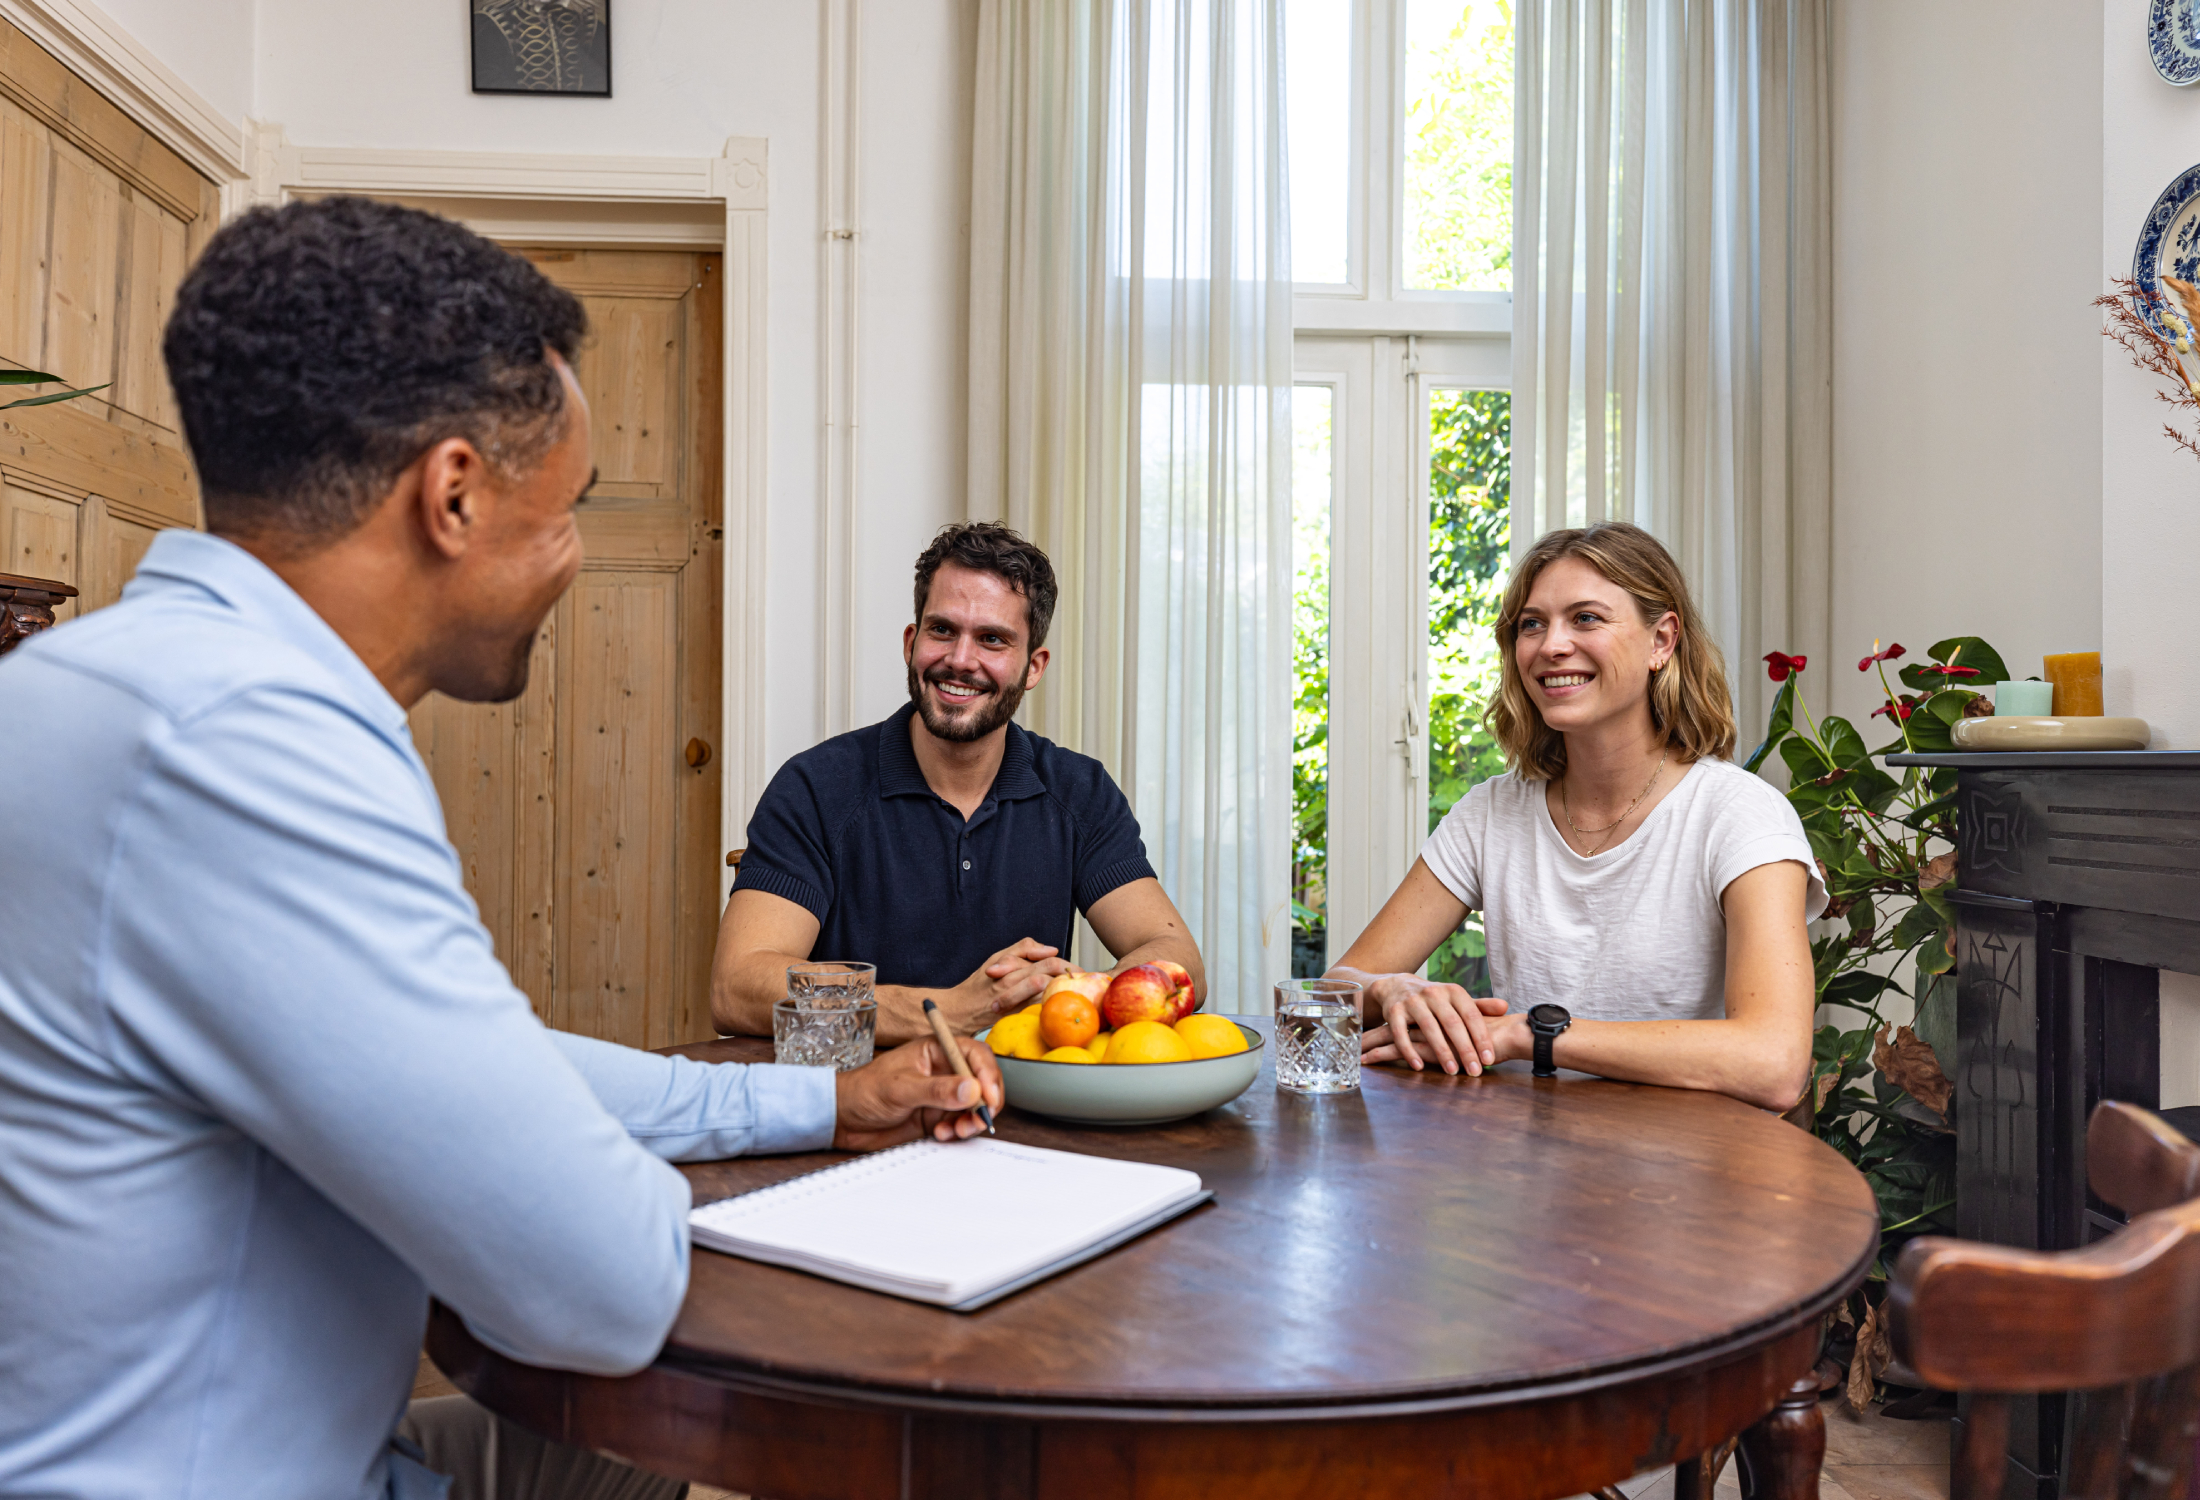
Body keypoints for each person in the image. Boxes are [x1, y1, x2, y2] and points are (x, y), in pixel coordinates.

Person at [0, 197, 1001, 1500]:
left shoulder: (94, 685)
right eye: (570, 508)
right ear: (455, 494)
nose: (578, 559)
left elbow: (483, 1068)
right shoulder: (251, 753)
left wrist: (819, 1099)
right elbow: (600, 1283)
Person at [1329, 522, 1823, 1111]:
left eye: (1586, 618)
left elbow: (1775, 1063)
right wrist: (1392, 988)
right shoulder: (1490, 812)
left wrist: (1531, 1033)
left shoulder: (1741, 815)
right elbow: (1336, 988)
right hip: (1530, 1162)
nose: (1550, 645)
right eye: (1531, 624)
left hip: (1693, 1173)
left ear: (1662, 641)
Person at [711, 523, 1203, 1044]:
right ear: (911, 642)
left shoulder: (1080, 791)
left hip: (1026, 1107)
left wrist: (1074, 997)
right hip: (860, 1106)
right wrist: (951, 1011)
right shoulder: (814, 786)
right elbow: (736, 986)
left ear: (1033, 666)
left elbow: (1177, 958)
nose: (961, 660)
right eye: (942, 630)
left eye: (992, 639)